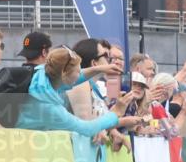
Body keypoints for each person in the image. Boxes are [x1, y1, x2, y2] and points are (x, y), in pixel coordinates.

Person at [15, 48, 144, 137]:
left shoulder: (42, 74)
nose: (79, 75)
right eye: (77, 71)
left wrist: (99, 68)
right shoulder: (50, 109)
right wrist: (116, 112)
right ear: (64, 74)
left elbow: (73, 77)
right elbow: (86, 129)